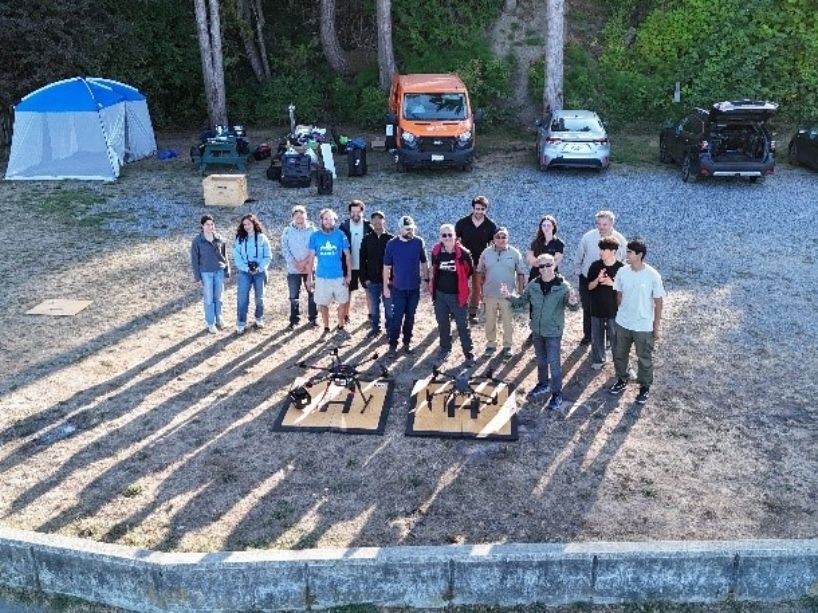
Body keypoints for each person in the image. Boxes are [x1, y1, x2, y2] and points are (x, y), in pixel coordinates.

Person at [501, 253, 580, 412]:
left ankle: (557, 394)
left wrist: (573, 302)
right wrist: (509, 296)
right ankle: (543, 384)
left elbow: (573, 307)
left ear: (554, 265)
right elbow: (521, 303)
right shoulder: (533, 285)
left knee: (554, 364)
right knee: (541, 360)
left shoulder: (563, 286)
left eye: (548, 265)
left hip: (553, 332)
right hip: (537, 331)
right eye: (541, 266)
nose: (544, 269)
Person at [608, 239, 666, 405]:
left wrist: (656, 327)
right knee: (619, 355)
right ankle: (621, 379)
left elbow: (658, 302)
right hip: (623, 323)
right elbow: (618, 295)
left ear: (639, 255)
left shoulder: (652, 275)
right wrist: (623, 311)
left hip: (643, 326)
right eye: (626, 251)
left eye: (629, 252)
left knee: (644, 357)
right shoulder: (622, 272)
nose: (626, 255)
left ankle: (644, 387)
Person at [573, 210, 626, 347]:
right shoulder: (588, 237)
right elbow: (579, 256)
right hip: (588, 279)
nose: (601, 227)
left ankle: (608, 337)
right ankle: (588, 335)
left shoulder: (620, 240)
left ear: (612, 224)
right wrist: (580, 273)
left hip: (610, 281)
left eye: (605, 224)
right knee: (588, 307)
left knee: (610, 308)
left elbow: (624, 260)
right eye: (599, 224)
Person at [477, 226, 527, 360]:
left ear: (508, 238)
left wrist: (520, 292)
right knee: (490, 322)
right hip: (490, 294)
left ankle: (507, 346)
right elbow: (480, 272)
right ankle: (491, 345)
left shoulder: (515, 253)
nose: (501, 239)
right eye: (498, 236)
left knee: (507, 322)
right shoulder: (486, 253)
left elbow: (521, 273)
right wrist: (480, 292)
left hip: (508, 296)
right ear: (493, 238)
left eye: (503, 236)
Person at [383, 215, 429, 356]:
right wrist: (385, 286)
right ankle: (392, 345)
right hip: (398, 288)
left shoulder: (418, 242)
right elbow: (386, 267)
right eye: (407, 229)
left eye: (412, 229)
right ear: (400, 229)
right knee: (397, 318)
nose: (410, 231)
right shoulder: (392, 244)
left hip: (414, 288)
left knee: (410, 317)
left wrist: (427, 280)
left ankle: (407, 342)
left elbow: (424, 262)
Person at [430, 223, 475, 366]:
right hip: (440, 295)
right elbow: (434, 269)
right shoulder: (436, 251)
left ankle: (468, 353)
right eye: (444, 235)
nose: (447, 238)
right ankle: (445, 349)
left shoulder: (463, 253)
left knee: (462, 325)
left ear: (455, 236)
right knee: (443, 323)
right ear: (440, 237)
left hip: (457, 295)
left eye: (450, 235)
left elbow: (469, 271)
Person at [307, 208, 352, 335]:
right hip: (322, 277)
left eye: (331, 219)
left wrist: (349, 274)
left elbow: (347, 256)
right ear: (321, 220)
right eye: (325, 218)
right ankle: (326, 326)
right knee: (322, 304)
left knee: (343, 302)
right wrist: (309, 277)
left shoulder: (340, 235)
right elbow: (310, 259)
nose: (328, 221)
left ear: (334, 220)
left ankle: (340, 324)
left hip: (338, 276)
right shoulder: (315, 236)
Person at [455, 196, 498, 323]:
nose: (479, 211)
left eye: (482, 209)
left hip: (480, 261)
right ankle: (456, 309)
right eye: (477, 208)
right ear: (473, 208)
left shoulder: (491, 225)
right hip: (464, 260)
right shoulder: (462, 223)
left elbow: (494, 245)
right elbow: (455, 240)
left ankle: (472, 312)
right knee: (459, 285)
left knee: (476, 287)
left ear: (486, 209)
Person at [587, 236, 624, 369]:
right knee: (596, 337)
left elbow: (627, 291)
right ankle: (598, 360)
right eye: (600, 249)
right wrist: (597, 280)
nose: (601, 252)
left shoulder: (622, 268)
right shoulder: (595, 266)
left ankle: (619, 362)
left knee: (616, 337)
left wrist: (612, 283)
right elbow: (589, 287)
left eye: (604, 249)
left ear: (613, 251)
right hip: (596, 308)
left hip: (614, 310)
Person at [190, 214, 230, 334]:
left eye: (212, 224)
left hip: (219, 271)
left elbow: (225, 255)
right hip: (206, 273)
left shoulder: (219, 238)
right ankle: (210, 322)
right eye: (207, 224)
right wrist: (197, 277)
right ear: (202, 226)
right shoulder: (197, 241)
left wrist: (227, 269)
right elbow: (194, 259)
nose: (210, 226)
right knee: (209, 299)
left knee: (219, 297)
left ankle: (219, 318)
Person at [281, 205, 318, 330]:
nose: (299, 217)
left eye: (301, 214)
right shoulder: (287, 231)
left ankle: (313, 318)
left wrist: (306, 262)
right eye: (296, 215)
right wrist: (295, 263)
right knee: (293, 295)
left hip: (309, 267)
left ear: (306, 215)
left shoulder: (313, 230)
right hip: (293, 269)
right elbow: (285, 249)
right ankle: (294, 319)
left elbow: (316, 248)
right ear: (292, 217)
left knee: (312, 293)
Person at [359, 211, 394, 339]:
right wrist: (364, 279)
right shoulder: (367, 239)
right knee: (374, 307)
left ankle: (390, 329)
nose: (377, 222)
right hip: (372, 280)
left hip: (388, 281)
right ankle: (375, 328)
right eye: (375, 220)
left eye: (380, 220)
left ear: (384, 221)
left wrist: (393, 279)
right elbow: (362, 260)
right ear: (371, 222)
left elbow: (396, 261)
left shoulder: (391, 239)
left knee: (389, 306)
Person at [339, 199, 372, 324]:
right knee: (348, 292)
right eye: (353, 212)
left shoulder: (369, 226)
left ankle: (371, 315)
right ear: (349, 213)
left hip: (365, 266)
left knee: (368, 290)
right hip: (349, 266)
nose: (355, 214)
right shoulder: (344, 226)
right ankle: (346, 315)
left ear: (362, 212)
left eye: (358, 211)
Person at [526, 215, 565, 281]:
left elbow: (556, 261)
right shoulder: (535, 242)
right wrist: (546, 264)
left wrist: (541, 265)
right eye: (544, 225)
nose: (546, 227)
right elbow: (530, 258)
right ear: (541, 227)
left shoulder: (559, 243)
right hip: (535, 277)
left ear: (553, 227)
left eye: (548, 225)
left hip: (551, 279)